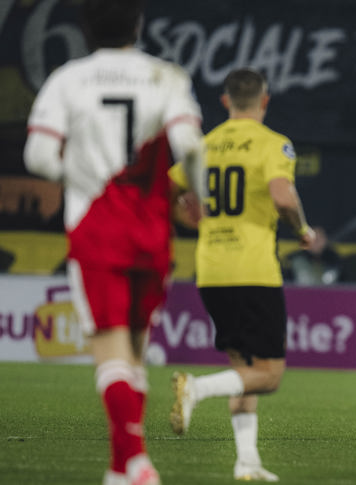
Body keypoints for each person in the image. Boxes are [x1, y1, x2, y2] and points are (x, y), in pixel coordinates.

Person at [22, 1, 206, 484]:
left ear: (83, 28)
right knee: (135, 350)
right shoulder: (165, 76)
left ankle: (137, 461)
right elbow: (190, 146)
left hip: (96, 229)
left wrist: (81, 178)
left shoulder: (67, 79)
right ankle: (119, 469)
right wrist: (196, 195)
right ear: (138, 25)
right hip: (150, 232)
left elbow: (39, 155)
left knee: (109, 350)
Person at [167, 67, 314, 482]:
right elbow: (282, 195)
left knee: (243, 371)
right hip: (253, 269)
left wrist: (188, 215)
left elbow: (169, 190)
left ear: (226, 101)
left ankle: (246, 463)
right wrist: (302, 229)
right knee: (268, 375)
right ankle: (196, 388)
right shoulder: (274, 144)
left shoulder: (203, 146)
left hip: (211, 269)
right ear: (264, 101)